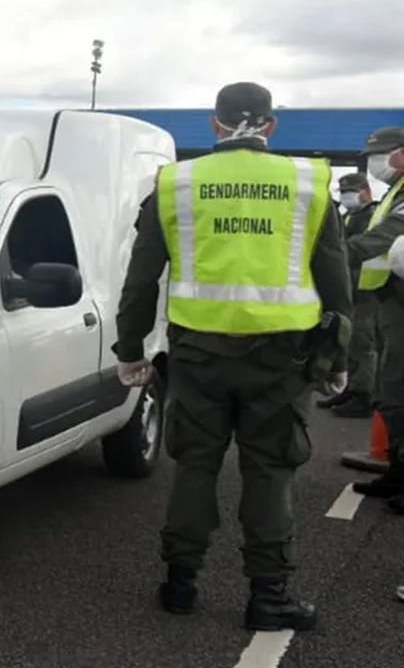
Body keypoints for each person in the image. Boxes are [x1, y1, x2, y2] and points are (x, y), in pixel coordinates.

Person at [115, 82, 352, 632]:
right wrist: (340, 359)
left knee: (195, 465)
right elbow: (336, 282)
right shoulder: (308, 183)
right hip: (284, 359)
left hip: (199, 354)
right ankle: (268, 598)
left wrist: (130, 351)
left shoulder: (175, 184)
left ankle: (180, 584)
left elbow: (141, 278)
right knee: (270, 470)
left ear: (213, 125)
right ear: (270, 126)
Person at [347, 127, 404, 509]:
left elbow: (382, 238)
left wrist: (330, 257)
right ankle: (396, 473)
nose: (375, 164)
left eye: (382, 154)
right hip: (388, 298)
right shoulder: (395, 192)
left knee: (399, 389)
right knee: (390, 390)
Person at [324, 172, 383, 417]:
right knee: (350, 343)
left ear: (365, 191)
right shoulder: (351, 215)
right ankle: (353, 388)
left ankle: (364, 395)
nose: (347, 197)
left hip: (366, 288)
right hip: (352, 286)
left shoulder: (372, 216)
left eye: (350, 191)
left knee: (362, 344)